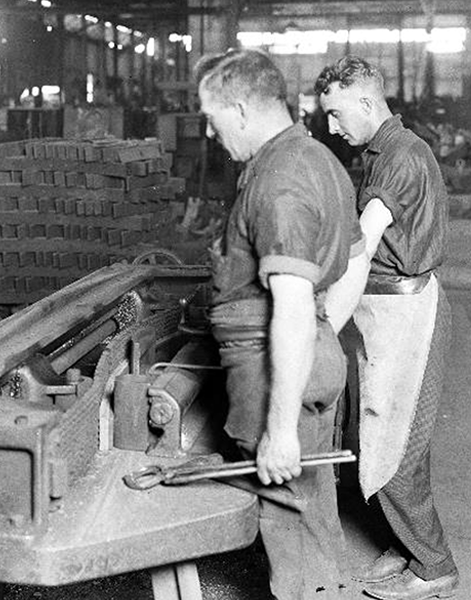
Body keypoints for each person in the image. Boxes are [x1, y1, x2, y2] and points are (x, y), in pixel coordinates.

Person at [196, 48, 365, 600]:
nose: (210, 131)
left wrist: (280, 428)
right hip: (311, 356)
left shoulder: (279, 179)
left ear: (241, 110)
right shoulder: (321, 160)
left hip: (272, 373)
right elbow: (357, 258)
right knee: (312, 511)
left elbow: (290, 306)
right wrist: (321, 336)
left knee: (288, 527)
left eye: (213, 117)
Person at [315, 55, 459, 600]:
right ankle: (404, 543)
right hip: (386, 311)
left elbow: (366, 245)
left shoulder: (400, 157)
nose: (332, 127)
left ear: (367, 103)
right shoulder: (383, 152)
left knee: (394, 450)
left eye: (336, 113)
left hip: (406, 314)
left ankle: (434, 565)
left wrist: (325, 321)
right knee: (376, 438)